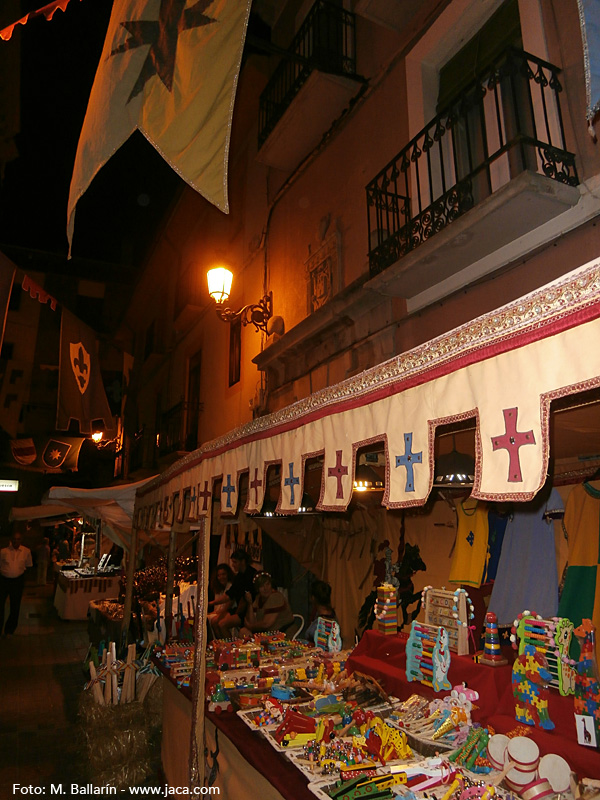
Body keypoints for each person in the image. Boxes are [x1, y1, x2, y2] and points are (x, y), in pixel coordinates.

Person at [212, 549, 256, 638]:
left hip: (248, 610)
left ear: (242, 561)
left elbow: (244, 601)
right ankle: (221, 644)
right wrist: (212, 603)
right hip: (239, 609)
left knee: (222, 624)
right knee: (214, 622)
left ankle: (231, 646)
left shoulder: (252, 575)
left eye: (235, 562)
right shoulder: (239, 576)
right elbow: (229, 595)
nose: (233, 565)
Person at [0, 531, 33, 636]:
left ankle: (10, 629)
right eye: (14, 539)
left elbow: (28, 566)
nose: (15, 541)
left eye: (18, 539)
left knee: (15, 606)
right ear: (11, 539)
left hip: (17, 581)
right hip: (4, 581)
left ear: (21, 540)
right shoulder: (3, 552)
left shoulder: (26, 551)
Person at [207, 563, 233, 628]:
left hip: (229, 612)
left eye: (223, 574)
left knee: (212, 620)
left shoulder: (230, 586)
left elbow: (227, 607)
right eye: (219, 575)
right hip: (220, 612)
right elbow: (217, 608)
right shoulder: (219, 589)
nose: (221, 577)